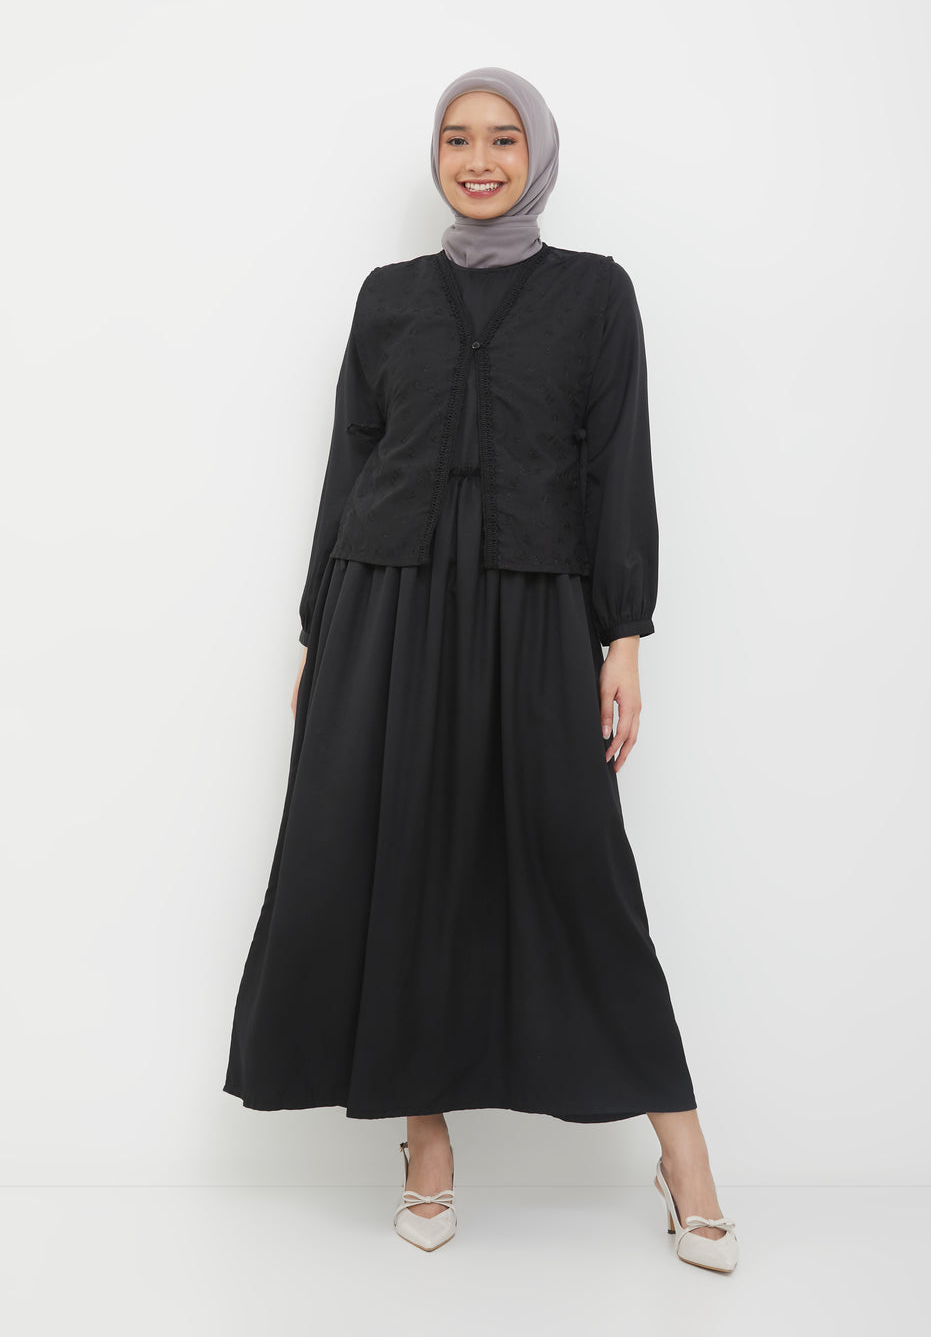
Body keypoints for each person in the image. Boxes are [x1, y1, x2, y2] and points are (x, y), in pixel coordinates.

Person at [223, 66, 738, 1272]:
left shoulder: (595, 292)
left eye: (503, 138)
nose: (479, 159)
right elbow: (351, 464)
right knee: (398, 854)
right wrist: (317, 631)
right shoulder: (389, 296)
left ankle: (685, 1157)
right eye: (457, 139)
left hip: (531, 605)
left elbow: (617, 463)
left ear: (536, 154)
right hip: (385, 603)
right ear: (437, 156)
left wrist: (623, 635)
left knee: (578, 862)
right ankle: (425, 1142)